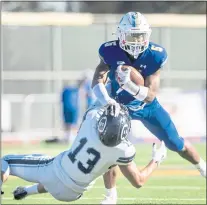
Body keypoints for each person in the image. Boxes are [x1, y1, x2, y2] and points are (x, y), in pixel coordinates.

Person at [91, 11, 206, 204]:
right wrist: (107, 100)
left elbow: (151, 94)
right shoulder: (109, 50)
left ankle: (202, 166)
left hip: (146, 106)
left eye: (140, 35)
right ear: (120, 35)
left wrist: (130, 85)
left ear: (148, 35)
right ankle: (110, 195)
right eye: (132, 35)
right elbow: (97, 79)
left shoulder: (155, 54)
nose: (136, 40)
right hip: (118, 105)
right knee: (109, 145)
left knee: (175, 142)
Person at [1, 105, 167, 202]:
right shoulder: (123, 150)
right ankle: (111, 197)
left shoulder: (92, 119)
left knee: (5, 160)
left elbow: (96, 105)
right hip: (72, 194)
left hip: (51, 173)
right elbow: (139, 181)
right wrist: (156, 159)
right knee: (108, 163)